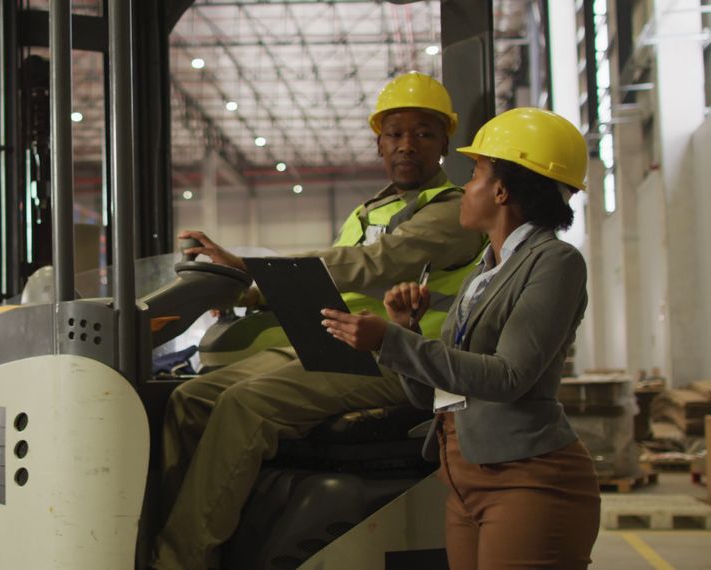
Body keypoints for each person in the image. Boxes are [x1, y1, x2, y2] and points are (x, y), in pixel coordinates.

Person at [151, 72, 485, 570]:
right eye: (395, 133)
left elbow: (370, 265)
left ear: (445, 144)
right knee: (190, 397)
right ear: (379, 142)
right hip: (336, 348)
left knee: (246, 405)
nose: (407, 145)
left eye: (423, 133)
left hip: (399, 360)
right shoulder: (368, 211)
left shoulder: (449, 212)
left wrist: (246, 264)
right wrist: (246, 293)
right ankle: (190, 532)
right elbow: (327, 287)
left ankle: (180, 560)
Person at [322, 107, 601, 570]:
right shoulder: (484, 272)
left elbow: (509, 377)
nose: (464, 186)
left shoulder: (554, 262)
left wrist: (390, 342)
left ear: (501, 189)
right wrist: (406, 331)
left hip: (527, 478)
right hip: (461, 478)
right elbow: (435, 393)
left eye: (474, 174)